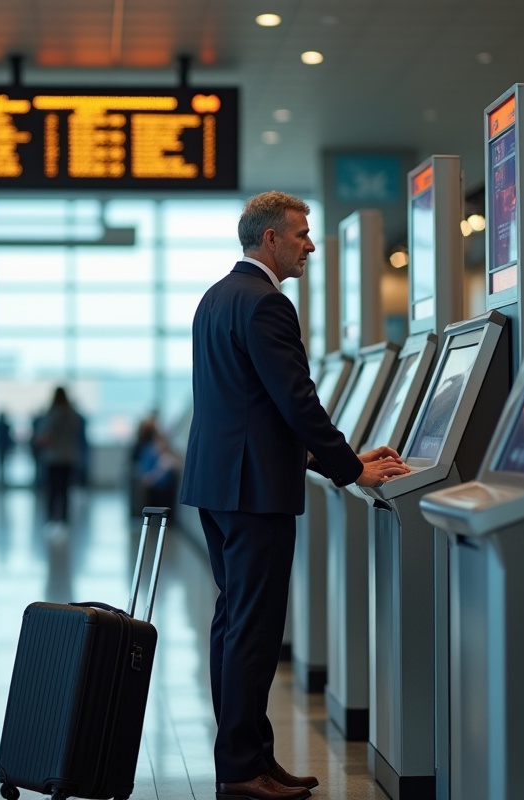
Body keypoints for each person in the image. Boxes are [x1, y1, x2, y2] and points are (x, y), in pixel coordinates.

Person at [179, 192, 410, 800]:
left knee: (235, 624)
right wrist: (349, 469)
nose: (309, 245)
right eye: (301, 234)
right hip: (254, 491)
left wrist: (331, 459)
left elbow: (248, 406)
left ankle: (252, 756)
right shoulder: (266, 304)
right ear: (270, 239)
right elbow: (296, 400)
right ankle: (240, 769)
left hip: (220, 483)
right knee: (252, 631)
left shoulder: (216, 298)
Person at [36, 387, 81, 524]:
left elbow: (47, 437)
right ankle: (64, 520)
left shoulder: (53, 414)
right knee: (65, 491)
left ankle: (51, 519)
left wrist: (38, 442)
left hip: (54, 458)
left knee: (52, 491)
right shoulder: (72, 415)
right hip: (69, 457)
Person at [0, 411, 13, 488]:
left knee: (2, 463)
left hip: (1, 446)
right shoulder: (6, 426)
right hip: (5, 446)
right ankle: (3, 479)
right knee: (4, 463)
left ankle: (3, 479)